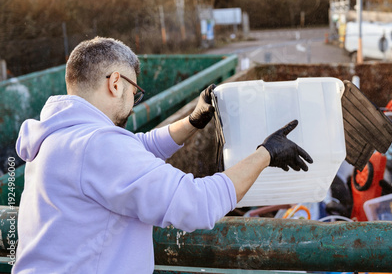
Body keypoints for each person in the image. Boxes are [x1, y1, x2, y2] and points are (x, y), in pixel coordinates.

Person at [14, 37, 313, 273]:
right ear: (115, 83)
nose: (133, 102)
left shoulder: (57, 138)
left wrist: (193, 121)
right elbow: (197, 204)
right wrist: (266, 154)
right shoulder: (97, 146)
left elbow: (135, 147)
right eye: (135, 92)